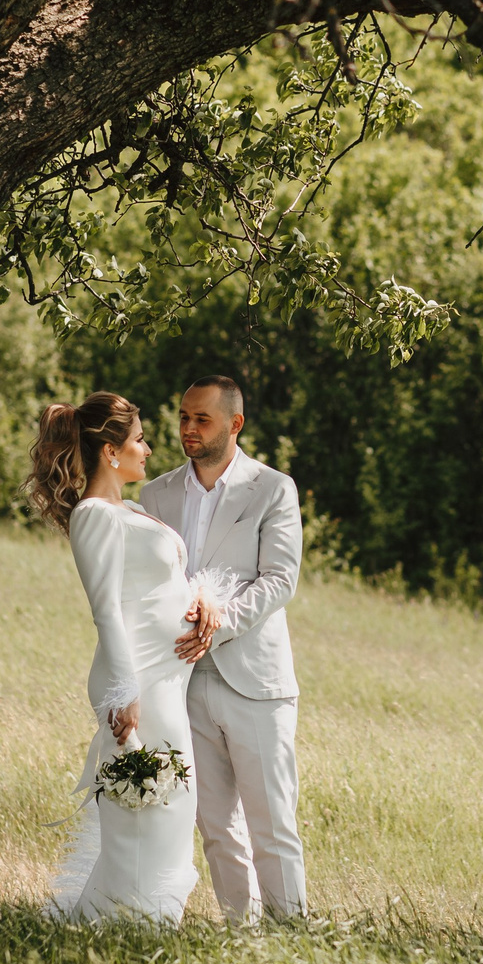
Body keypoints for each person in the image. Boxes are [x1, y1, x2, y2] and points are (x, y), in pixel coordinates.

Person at [29, 391, 204, 924]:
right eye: (138, 439)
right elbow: (106, 611)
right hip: (139, 687)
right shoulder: (95, 517)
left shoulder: (128, 511)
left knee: (172, 807)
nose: (148, 449)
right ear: (110, 451)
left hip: (167, 684)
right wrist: (124, 694)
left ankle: (144, 923)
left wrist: (201, 599)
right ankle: (121, 924)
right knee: (148, 807)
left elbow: (161, 583)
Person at [139, 375, 308, 920]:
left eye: (201, 419)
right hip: (181, 681)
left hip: (254, 681)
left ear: (235, 424)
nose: (188, 428)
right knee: (214, 825)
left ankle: (293, 935)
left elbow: (279, 579)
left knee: (272, 824)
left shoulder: (273, 489)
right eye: (183, 416)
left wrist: (217, 621)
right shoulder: (155, 493)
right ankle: (242, 931)